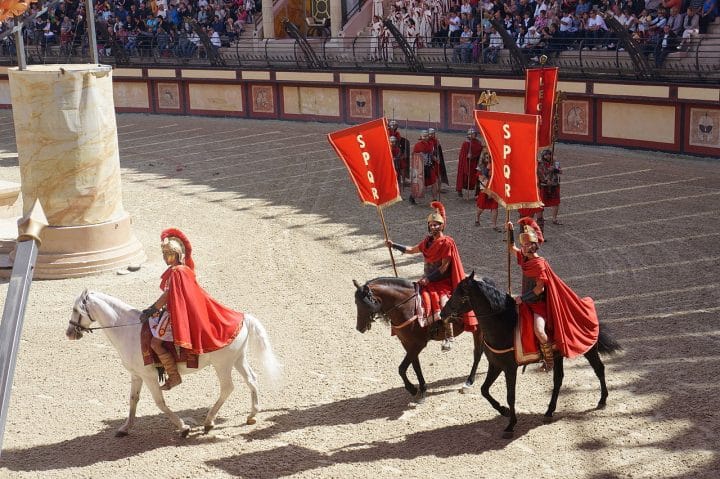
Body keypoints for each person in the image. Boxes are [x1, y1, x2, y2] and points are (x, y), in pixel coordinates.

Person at [139, 228, 244, 390]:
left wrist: (151, 309)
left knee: (155, 343)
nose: (167, 258)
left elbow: (167, 296)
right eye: (165, 255)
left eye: (169, 254)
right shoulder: (182, 269)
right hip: (172, 310)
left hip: (173, 314)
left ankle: (173, 376)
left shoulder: (176, 272)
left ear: (177, 255)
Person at [507, 217, 599, 371]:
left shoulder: (539, 264)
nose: (523, 247)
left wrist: (521, 299)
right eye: (523, 244)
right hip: (525, 301)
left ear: (534, 246)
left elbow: (539, 290)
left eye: (527, 244)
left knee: (540, 332)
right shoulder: (524, 259)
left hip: (538, 305)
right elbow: (511, 248)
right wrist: (509, 230)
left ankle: (549, 361)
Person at [386, 202, 477, 351]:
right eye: (431, 224)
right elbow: (411, 250)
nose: (433, 227)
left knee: (443, 302)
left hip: (442, 282)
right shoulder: (427, 242)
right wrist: (394, 245)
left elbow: (444, 267)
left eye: (436, 225)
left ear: (442, 226)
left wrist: (428, 279)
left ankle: (449, 336)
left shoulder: (447, 242)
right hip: (426, 281)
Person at [536, 149, 563, 228]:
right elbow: (539, 172)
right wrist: (545, 180)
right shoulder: (540, 164)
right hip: (544, 186)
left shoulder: (555, 163)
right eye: (546, 155)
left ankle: (554, 218)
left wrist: (554, 169)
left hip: (554, 185)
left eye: (549, 154)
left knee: (556, 202)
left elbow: (561, 171)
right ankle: (541, 217)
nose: (548, 156)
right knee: (541, 202)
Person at [411, 130, 439, 203]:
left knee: (434, 183)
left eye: (427, 136)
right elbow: (414, 156)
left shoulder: (431, 144)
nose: (426, 137)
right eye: (424, 136)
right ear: (421, 137)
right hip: (421, 168)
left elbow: (431, 154)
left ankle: (434, 199)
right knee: (420, 184)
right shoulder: (417, 145)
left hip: (429, 166)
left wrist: (435, 159)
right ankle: (412, 196)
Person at [475, 151, 500, 230]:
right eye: (486, 158)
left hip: (494, 188)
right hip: (485, 189)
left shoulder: (494, 166)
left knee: (495, 207)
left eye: (489, 158)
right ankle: (477, 218)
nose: (488, 159)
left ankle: (494, 225)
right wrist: (487, 169)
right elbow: (481, 178)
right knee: (481, 207)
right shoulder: (481, 167)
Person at [456, 127, 483, 198]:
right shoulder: (466, 143)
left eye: (473, 134)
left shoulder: (478, 142)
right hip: (466, 163)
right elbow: (462, 155)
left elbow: (480, 150)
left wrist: (474, 155)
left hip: (474, 163)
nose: (472, 135)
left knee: (477, 177)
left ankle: (477, 194)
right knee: (463, 176)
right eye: (470, 134)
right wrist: (467, 156)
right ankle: (460, 190)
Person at [427, 128, 449, 192]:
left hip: (436, 160)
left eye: (433, 133)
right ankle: (432, 187)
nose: (432, 135)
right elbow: (428, 152)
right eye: (430, 134)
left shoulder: (436, 141)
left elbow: (438, 151)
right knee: (430, 175)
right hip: (429, 161)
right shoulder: (427, 141)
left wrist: (438, 145)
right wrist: (433, 157)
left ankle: (439, 188)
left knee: (438, 174)